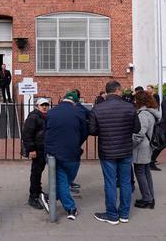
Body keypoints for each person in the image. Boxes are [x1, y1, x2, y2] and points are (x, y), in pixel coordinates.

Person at [89, 81, 141, 225]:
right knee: (125, 182)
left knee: (110, 183)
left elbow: (92, 130)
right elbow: (137, 128)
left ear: (107, 92)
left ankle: (112, 215)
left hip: (107, 150)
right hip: (125, 149)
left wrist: (105, 130)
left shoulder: (97, 108)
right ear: (117, 91)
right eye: (121, 90)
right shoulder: (130, 107)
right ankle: (124, 214)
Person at [40, 91, 88, 221]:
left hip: (55, 153)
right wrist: (76, 142)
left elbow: (46, 131)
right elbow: (85, 132)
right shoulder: (79, 112)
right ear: (75, 101)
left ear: (62, 99)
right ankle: (70, 208)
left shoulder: (51, 112)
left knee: (62, 182)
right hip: (73, 152)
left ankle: (50, 197)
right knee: (65, 181)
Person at [133, 91, 160, 209]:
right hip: (147, 145)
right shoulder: (151, 113)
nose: (134, 101)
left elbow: (139, 134)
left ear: (140, 101)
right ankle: (150, 196)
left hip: (141, 147)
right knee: (146, 172)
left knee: (140, 172)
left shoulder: (143, 114)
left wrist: (131, 144)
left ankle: (147, 198)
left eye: (136, 99)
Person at [21, 97, 50, 210]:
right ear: (37, 106)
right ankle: (32, 197)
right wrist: (31, 149)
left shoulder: (46, 116)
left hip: (44, 148)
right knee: (36, 172)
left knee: (38, 171)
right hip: (37, 149)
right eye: (42, 105)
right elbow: (27, 134)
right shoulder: (34, 117)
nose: (44, 107)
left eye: (46, 105)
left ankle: (38, 191)